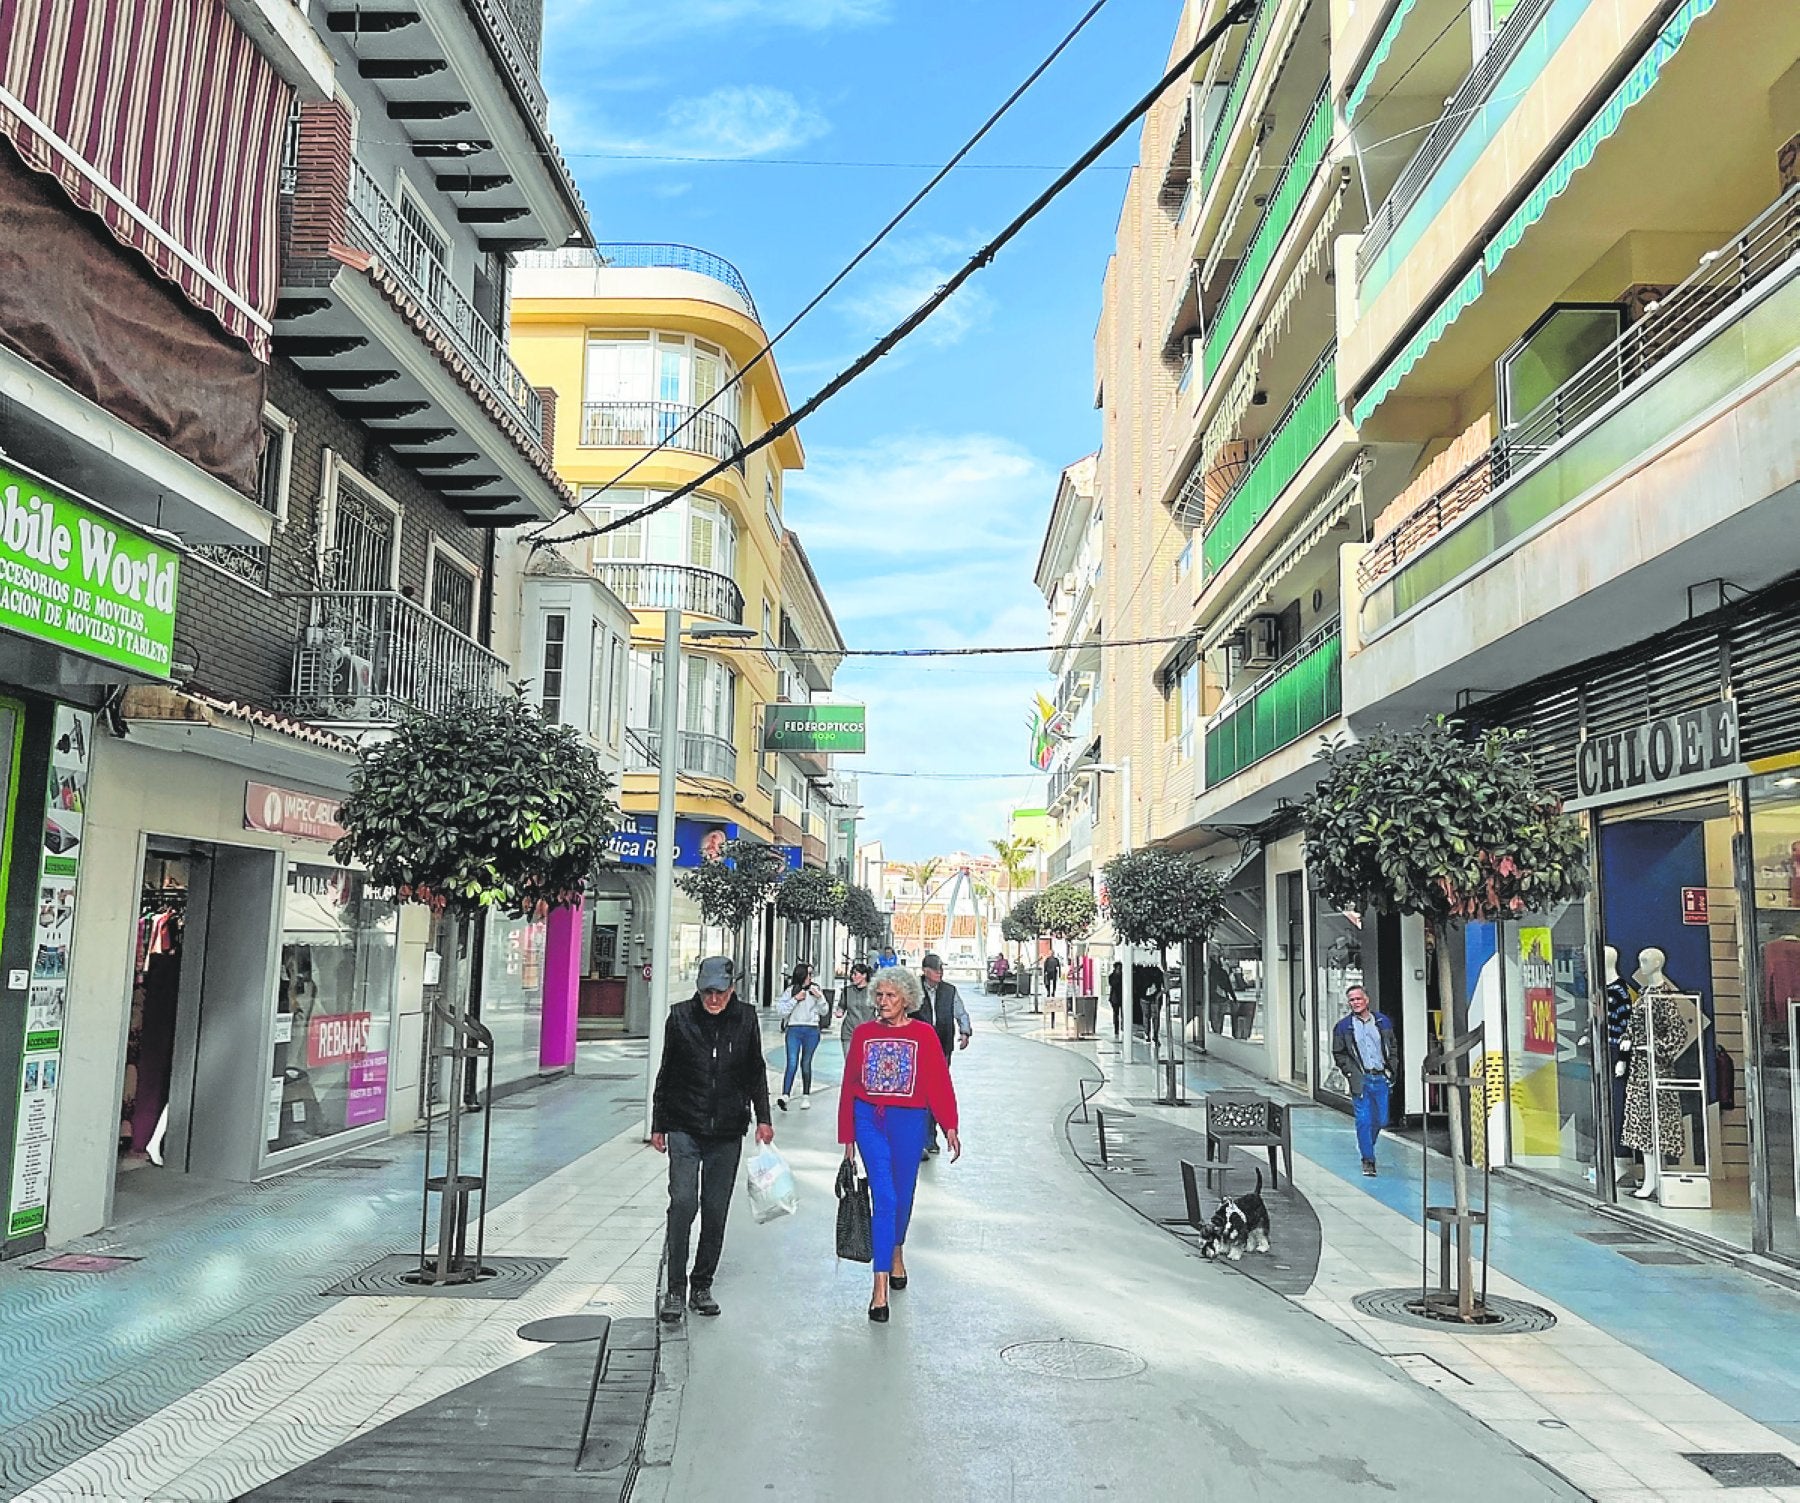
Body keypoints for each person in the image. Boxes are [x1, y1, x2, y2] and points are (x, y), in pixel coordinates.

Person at [651, 956, 773, 1322]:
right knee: (684, 1202)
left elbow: (756, 1071)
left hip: (727, 1129)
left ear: (732, 988)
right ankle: (674, 1289)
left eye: (720, 992)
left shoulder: (746, 1018)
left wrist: (763, 1118)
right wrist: (659, 1124)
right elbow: (667, 1071)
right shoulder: (680, 1017)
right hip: (684, 1124)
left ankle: (701, 1284)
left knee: (716, 1209)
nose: (714, 999)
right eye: (707, 992)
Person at [840, 965, 960, 1322]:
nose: (883, 1002)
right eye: (879, 995)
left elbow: (939, 1082)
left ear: (907, 1000)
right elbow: (849, 1085)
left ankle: (896, 1251)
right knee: (886, 1196)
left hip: (909, 1121)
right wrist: (847, 1135)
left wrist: (950, 1124)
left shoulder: (924, 1035)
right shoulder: (863, 1034)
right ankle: (879, 1289)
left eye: (891, 996)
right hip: (870, 1120)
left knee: (904, 1196)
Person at [1330, 984, 1400, 1177]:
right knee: (1363, 1120)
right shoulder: (1343, 1027)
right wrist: (1350, 1073)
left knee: (1381, 1119)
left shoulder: (1382, 1022)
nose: (1355, 1003)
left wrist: (1391, 1070)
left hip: (1380, 1078)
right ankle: (1368, 1159)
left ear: (1366, 1000)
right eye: (1351, 1000)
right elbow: (1339, 1053)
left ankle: (1365, 1143)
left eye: (1358, 999)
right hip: (1361, 1079)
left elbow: (1392, 1047)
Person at [911, 953, 971, 1158]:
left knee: (935, 1093)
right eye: (936, 970)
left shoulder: (949, 991)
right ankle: (919, 1138)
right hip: (916, 1050)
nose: (940, 973)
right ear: (925, 971)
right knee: (918, 1094)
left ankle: (930, 1138)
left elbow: (960, 1012)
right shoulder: (913, 989)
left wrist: (965, 1031)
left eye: (941, 969)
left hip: (942, 1048)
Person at [777, 961, 830, 1110]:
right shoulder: (791, 990)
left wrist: (819, 998)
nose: (811, 977)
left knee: (805, 1063)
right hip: (793, 1029)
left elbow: (825, 1011)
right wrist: (795, 999)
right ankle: (785, 1095)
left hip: (811, 1030)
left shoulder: (816, 989)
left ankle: (806, 1095)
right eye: (809, 974)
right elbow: (781, 1011)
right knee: (792, 1062)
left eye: (812, 974)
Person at [837, 960, 876, 1043]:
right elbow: (841, 1006)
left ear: (864, 975)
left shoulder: (873, 991)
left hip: (869, 1031)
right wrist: (839, 1011)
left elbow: (881, 1009)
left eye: (855, 974)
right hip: (849, 1031)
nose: (852, 977)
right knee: (850, 1056)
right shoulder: (847, 991)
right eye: (851, 974)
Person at [1108, 961, 1123, 1038]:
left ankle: (1123, 1027)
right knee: (1116, 1013)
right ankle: (1116, 1028)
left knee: (1123, 1014)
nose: (1119, 970)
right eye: (1118, 968)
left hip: (1123, 997)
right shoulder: (1112, 976)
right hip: (1115, 998)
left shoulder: (1124, 975)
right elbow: (1112, 984)